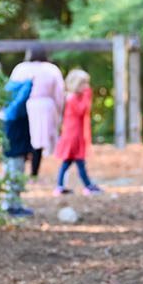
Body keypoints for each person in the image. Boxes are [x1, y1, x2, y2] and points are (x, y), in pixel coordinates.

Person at [7, 47, 65, 177]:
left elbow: (11, 90)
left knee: (27, 136)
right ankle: (34, 171)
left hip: (23, 107)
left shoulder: (21, 68)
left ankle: (21, 168)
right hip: (44, 108)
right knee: (39, 139)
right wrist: (59, 110)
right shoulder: (51, 69)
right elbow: (59, 92)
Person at [54, 68, 101, 196]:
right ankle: (87, 186)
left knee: (69, 162)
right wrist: (88, 95)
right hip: (73, 135)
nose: (86, 87)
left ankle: (62, 186)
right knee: (77, 162)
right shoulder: (73, 98)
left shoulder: (75, 97)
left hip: (76, 134)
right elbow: (82, 110)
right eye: (83, 84)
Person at [1, 75, 34, 217]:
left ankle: (15, 205)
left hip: (16, 151)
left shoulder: (12, 112)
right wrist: (30, 82)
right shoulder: (14, 112)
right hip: (14, 153)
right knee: (14, 178)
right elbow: (22, 97)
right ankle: (11, 207)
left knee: (14, 178)